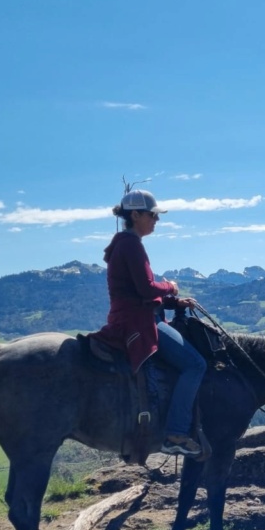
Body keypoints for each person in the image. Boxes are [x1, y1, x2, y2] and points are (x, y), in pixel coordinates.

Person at [95, 188, 207, 457]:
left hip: (132, 315)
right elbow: (146, 289)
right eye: (152, 215)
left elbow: (137, 293)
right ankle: (175, 433)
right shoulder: (131, 244)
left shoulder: (123, 244)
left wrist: (173, 303)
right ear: (135, 215)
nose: (156, 220)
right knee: (195, 365)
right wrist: (170, 287)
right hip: (138, 324)